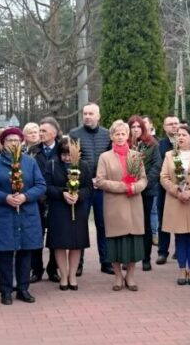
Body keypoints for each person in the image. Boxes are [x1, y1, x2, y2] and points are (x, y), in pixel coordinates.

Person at [0, 127, 46, 305]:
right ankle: (6, 290)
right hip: (3, 214)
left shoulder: (30, 162)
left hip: (26, 214)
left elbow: (41, 185)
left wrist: (26, 196)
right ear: (2, 143)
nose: (14, 143)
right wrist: (5, 198)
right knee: (5, 254)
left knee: (25, 251)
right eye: (10, 140)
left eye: (17, 140)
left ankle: (23, 289)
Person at [96, 120, 148, 291]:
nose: (120, 137)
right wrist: (123, 187)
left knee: (134, 242)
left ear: (128, 136)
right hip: (114, 205)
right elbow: (100, 181)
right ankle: (118, 276)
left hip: (134, 203)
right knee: (115, 242)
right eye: (116, 134)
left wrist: (135, 187)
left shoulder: (136, 156)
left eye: (123, 134)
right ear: (111, 136)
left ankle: (130, 276)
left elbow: (143, 179)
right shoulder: (105, 157)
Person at [159, 124, 190, 285]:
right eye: (178, 135)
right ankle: (181, 269)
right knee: (179, 237)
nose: (180, 137)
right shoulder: (170, 155)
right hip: (176, 200)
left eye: (184, 135)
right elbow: (164, 177)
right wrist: (177, 191)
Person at [69, 104, 112, 274]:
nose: (87, 116)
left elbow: (110, 159)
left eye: (91, 114)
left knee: (103, 224)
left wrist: (100, 179)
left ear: (98, 116)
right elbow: (73, 160)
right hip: (83, 187)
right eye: (85, 113)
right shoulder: (74, 134)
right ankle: (78, 263)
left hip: (102, 186)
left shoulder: (107, 134)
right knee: (80, 225)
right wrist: (87, 180)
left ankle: (106, 261)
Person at [44, 137, 92, 290]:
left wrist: (79, 195)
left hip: (78, 209)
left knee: (76, 244)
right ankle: (63, 276)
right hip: (58, 209)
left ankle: (72, 275)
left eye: (70, 155)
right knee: (59, 244)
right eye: (64, 155)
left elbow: (88, 187)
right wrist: (62, 193)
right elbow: (46, 186)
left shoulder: (83, 165)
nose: (67, 158)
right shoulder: (51, 164)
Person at [28, 117, 61, 283]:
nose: (40, 134)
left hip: (57, 198)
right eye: (39, 131)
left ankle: (53, 269)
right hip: (37, 199)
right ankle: (36, 269)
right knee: (36, 235)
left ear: (54, 133)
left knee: (56, 235)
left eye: (44, 131)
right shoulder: (33, 151)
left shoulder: (62, 149)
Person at [129, 115, 161, 272]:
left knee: (146, 224)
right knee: (130, 224)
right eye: (133, 127)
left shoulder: (151, 144)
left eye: (138, 127)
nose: (136, 129)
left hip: (147, 190)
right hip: (128, 190)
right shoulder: (125, 144)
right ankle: (129, 258)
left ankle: (146, 258)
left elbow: (157, 165)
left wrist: (144, 182)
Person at [155, 115, 180, 265]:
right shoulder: (160, 145)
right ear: (164, 127)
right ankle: (162, 252)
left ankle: (180, 250)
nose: (174, 126)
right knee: (163, 221)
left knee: (182, 219)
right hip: (164, 189)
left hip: (184, 188)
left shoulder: (186, 143)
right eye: (170, 124)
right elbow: (159, 168)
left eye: (176, 123)